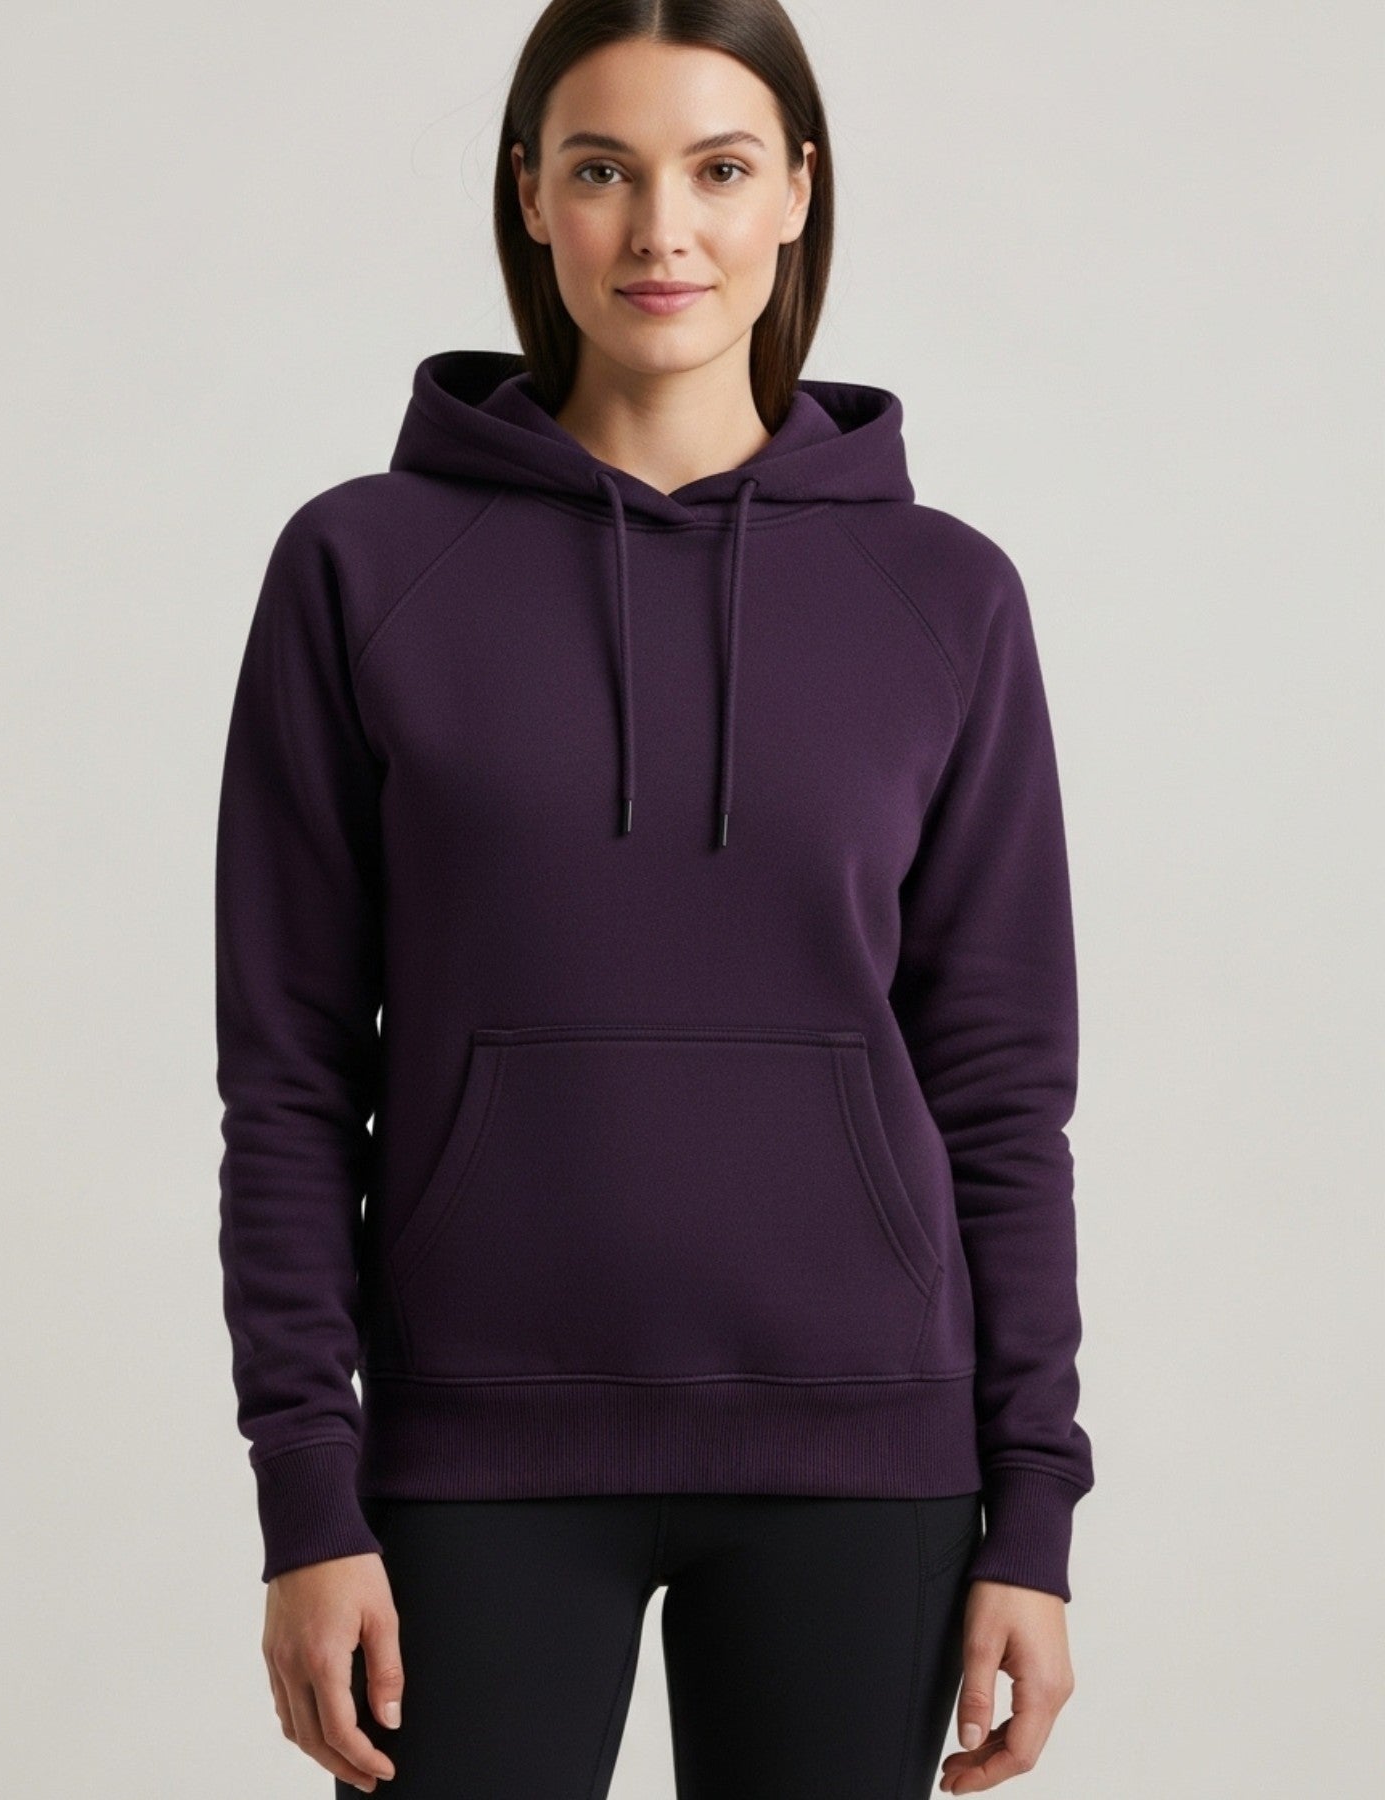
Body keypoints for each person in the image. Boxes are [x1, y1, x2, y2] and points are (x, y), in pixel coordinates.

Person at [213, 2, 1093, 1794]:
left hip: (866, 1459)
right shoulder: (362, 565)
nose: (662, 230)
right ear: (530, 196)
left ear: (798, 194)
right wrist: (306, 1491)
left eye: (720, 169)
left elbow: (1003, 1091)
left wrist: (1035, 1513)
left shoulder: (945, 595)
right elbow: (289, 1076)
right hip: (469, 1457)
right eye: (604, 170)